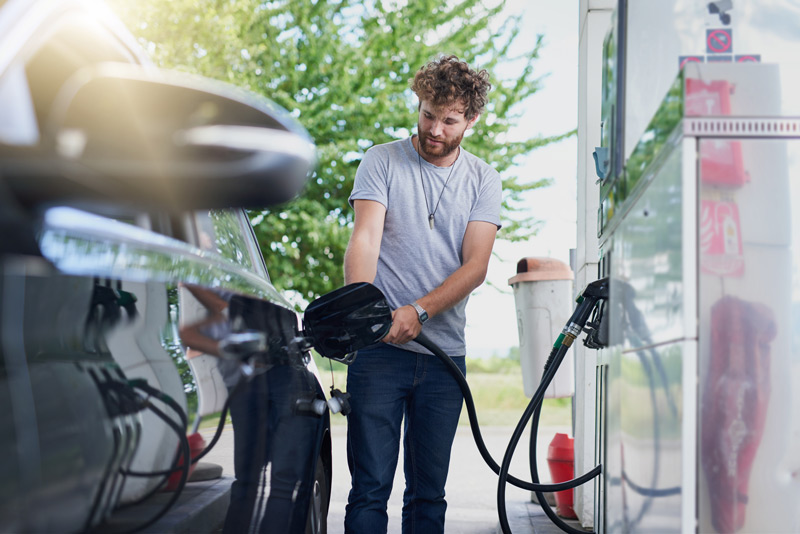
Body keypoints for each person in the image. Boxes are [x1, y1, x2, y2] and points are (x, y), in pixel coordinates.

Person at [343, 54, 501, 534]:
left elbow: (475, 266)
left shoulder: (483, 180)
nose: (435, 129)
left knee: (428, 495)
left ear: (470, 120)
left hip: (442, 357)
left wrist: (419, 311)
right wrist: (362, 314)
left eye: (449, 120)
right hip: (378, 352)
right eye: (428, 114)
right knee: (369, 489)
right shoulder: (382, 160)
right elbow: (365, 238)